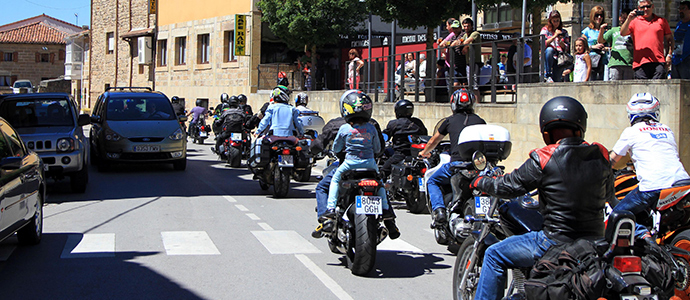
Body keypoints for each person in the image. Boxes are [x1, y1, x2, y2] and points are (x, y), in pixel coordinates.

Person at [469, 96, 613, 300]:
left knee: (494, 254)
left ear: (546, 132)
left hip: (554, 241)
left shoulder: (544, 157)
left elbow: (509, 186)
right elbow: (608, 194)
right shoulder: (601, 155)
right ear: (581, 127)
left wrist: (480, 181)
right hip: (594, 242)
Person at [316, 90, 399, 239]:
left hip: (348, 165)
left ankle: (329, 212)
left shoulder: (341, 127)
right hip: (370, 165)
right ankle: (388, 214)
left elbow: (335, 148)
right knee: (379, 184)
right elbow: (379, 148)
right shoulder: (372, 126)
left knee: (328, 183)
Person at [609, 93, 690, 241]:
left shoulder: (631, 131)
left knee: (617, 215)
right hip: (682, 182)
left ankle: (641, 233)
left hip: (654, 186)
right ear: (655, 112)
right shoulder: (666, 129)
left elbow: (612, 160)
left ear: (631, 115)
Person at [418, 88, 486, 226]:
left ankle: (439, 211)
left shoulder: (449, 121)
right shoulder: (480, 121)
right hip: (477, 166)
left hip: (457, 165)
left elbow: (434, 141)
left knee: (432, 181)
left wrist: (424, 152)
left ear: (454, 104)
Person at [620, 0, 674, 80]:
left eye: (648, 6)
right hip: (640, 62)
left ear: (652, 6)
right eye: (643, 7)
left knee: (657, 88)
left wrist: (669, 55)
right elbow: (623, 32)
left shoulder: (661, 21)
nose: (646, 9)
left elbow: (670, 39)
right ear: (639, 8)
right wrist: (629, 18)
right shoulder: (635, 21)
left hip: (658, 61)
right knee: (642, 90)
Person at [381, 99, 428, 178]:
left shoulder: (394, 123)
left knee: (383, 171)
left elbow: (386, 136)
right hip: (417, 155)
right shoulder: (417, 122)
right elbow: (425, 134)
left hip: (400, 154)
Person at [598, 8, 634, 80]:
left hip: (629, 63)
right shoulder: (614, 30)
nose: (623, 20)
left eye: (626, 18)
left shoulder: (633, 30)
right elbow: (601, 41)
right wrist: (601, 31)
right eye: (622, 18)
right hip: (615, 63)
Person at [541, 10, 571, 82]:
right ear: (550, 21)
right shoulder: (545, 30)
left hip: (560, 57)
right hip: (550, 54)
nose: (556, 23)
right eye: (554, 21)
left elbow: (567, 47)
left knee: (557, 79)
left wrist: (561, 43)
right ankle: (548, 75)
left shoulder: (564, 32)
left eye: (557, 21)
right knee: (549, 50)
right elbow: (543, 43)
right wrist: (554, 36)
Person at [581, 6, 608, 81]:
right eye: (597, 15)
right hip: (591, 60)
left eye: (601, 15)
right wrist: (593, 47)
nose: (599, 17)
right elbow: (581, 46)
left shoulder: (605, 31)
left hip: (602, 60)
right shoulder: (587, 31)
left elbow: (609, 46)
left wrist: (603, 48)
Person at [460, 18, 482, 90]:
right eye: (465, 26)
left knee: (475, 84)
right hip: (468, 62)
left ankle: (477, 100)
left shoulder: (475, 33)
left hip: (475, 61)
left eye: (468, 26)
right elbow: (461, 42)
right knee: (470, 84)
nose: (466, 28)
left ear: (472, 26)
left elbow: (467, 42)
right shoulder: (465, 35)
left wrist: (464, 46)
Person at [447, 20, 467, 90]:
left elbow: (458, 42)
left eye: (456, 28)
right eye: (453, 28)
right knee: (455, 84)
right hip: (456, 64)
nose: (455, 30)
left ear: (460, 28)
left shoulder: (463, 35)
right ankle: (457, 98)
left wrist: (452, 44)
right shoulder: (453, 37)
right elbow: (448, 44)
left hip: (463, 63)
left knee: (465, 83)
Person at [672, 1, 690, 79]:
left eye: (683, 8)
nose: (681, 11)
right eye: (679, 9)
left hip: (687, 59)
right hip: (676, 59)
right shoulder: (679, 24)